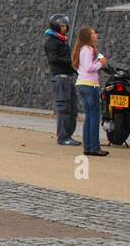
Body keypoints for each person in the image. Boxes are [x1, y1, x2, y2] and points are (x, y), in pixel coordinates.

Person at [44, 13, 81, 146]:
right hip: (60, 77)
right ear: (56, 26)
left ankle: (68, 135)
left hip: (68, 77)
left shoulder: (62, 40)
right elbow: (53, 59)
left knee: (72, 108)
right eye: (62, 26)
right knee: (64, 108)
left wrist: (76, 67)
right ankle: (63, 137)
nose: (65, 28)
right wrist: (71, 63)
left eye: (66, 26)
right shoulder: (51, 41)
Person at [73, 26, 109, 156]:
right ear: (88, 36)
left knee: (89, 116)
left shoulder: (81, 49)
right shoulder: (88, 49)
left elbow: (81, 67)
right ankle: (94, 147)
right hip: (90, 85)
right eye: (93, 33)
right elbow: (89, 67)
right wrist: (101, 64)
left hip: (82, 83)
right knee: (94, 117)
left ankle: (88, 146)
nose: (96, 35)